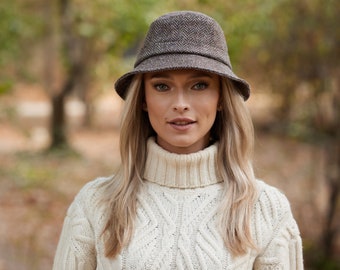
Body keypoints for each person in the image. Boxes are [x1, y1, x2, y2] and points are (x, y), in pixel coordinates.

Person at [53, 11, 303, 269]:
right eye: (162, 86)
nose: (181, 104)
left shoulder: (266, 208)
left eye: (199, 86)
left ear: (221, 99)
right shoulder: (96, 203)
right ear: (142, 100)